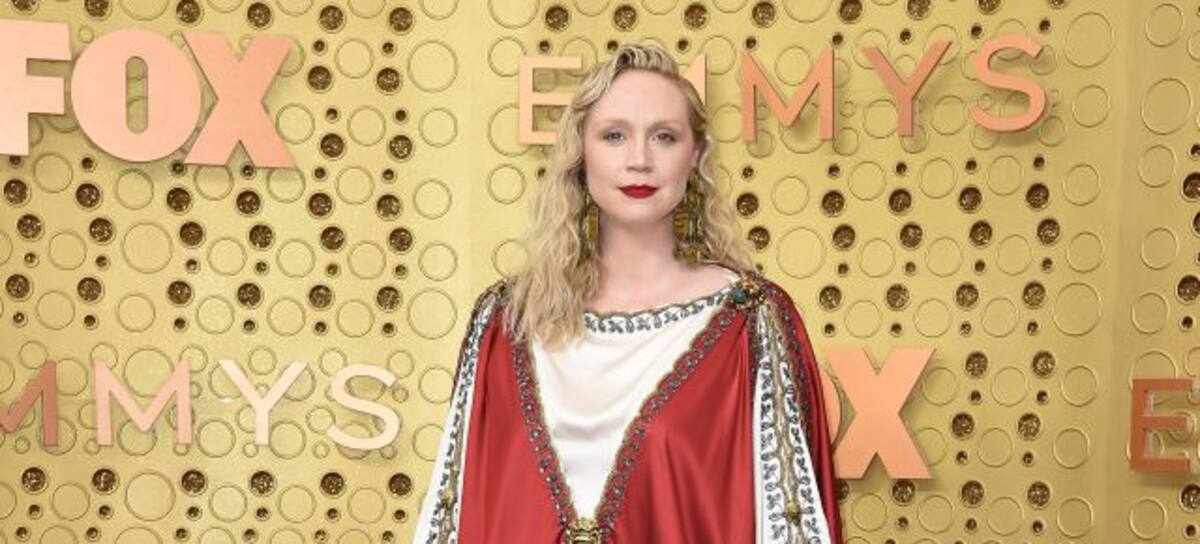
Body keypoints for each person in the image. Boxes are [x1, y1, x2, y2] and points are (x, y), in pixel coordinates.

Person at [413, 42, 842, 543]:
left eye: (664, 136)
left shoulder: (750, 320)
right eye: (614, 135)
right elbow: (454, 519)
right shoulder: (508, 321)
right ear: (581, 151)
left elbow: (790, 527)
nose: (639, 160)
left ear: (695, 155)